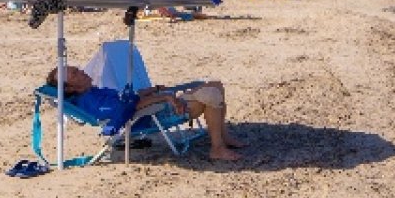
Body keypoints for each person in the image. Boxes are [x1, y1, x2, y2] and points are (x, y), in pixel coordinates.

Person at [44, 65, 247, 162]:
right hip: (152, 115)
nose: (81, 70)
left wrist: (152, 90)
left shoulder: (95, 91)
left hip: (156, 107)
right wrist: (165, 98)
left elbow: (129, 98)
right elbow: (129, 109)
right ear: (70, 88)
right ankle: (217, 147)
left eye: (76, 68)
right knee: (211, 94)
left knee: (216, 85)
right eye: (75, 73)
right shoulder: (92, 101)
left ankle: (224, 135)